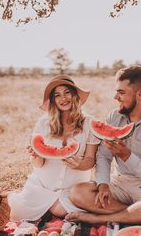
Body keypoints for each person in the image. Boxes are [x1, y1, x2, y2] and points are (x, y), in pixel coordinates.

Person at [65, 65, 141, 224]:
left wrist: (126, 156)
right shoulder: (115, 116)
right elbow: (103, 157)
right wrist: (103, 185)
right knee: (78, 192)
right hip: (122, 182)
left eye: (121, 92)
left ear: (140, 94)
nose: (115, 97)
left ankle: (98, 219)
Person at [8, 75, 100, 221]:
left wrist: (80, 164)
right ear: (53, 101)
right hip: (42, 187)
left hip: (72, 190)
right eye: (57, 95)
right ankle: (52, 207)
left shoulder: (90, 124)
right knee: (14, 213)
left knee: (64, 210)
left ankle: (54, 208)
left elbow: (90, 160)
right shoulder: (44, 123)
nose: (63, 98)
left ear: (75, 95)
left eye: (67, 92)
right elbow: (38, 164)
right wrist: (36, 155)